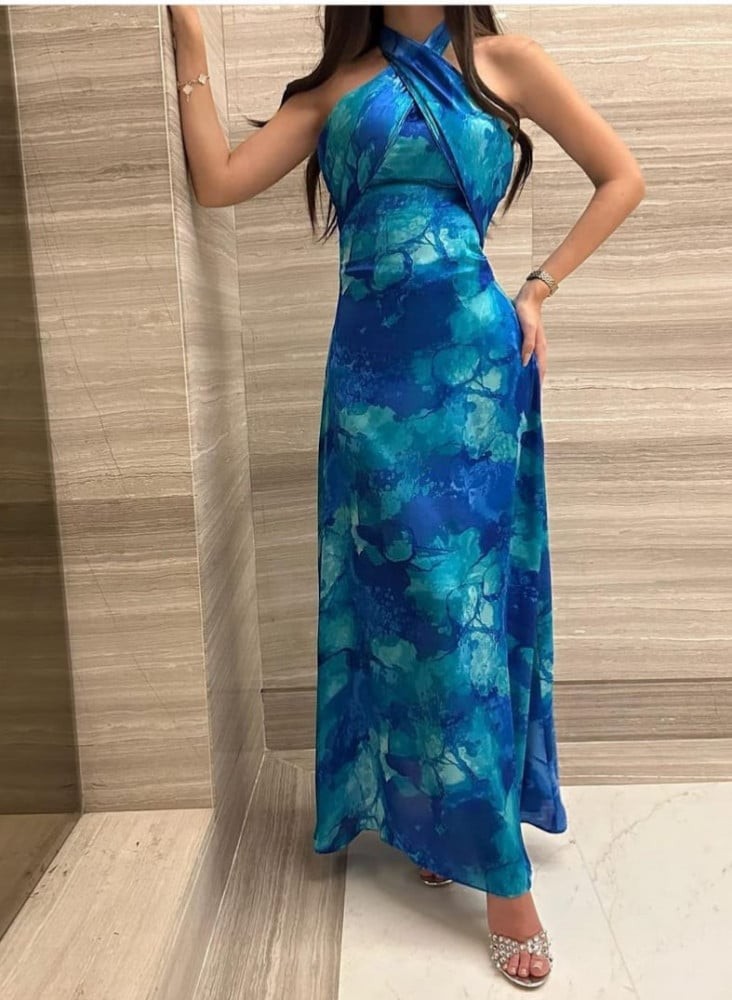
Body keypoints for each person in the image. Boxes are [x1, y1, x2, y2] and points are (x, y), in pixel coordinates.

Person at [169, 4, 645, 988]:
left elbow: (621, 177)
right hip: (371, 387)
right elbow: (217, 183)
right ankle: (443, 820)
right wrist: (191, 48)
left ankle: (495, 867)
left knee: (462, 609)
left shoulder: (510, 63)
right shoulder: (334, 90)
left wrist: (539, 287)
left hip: (475, 375)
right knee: (409, 605)